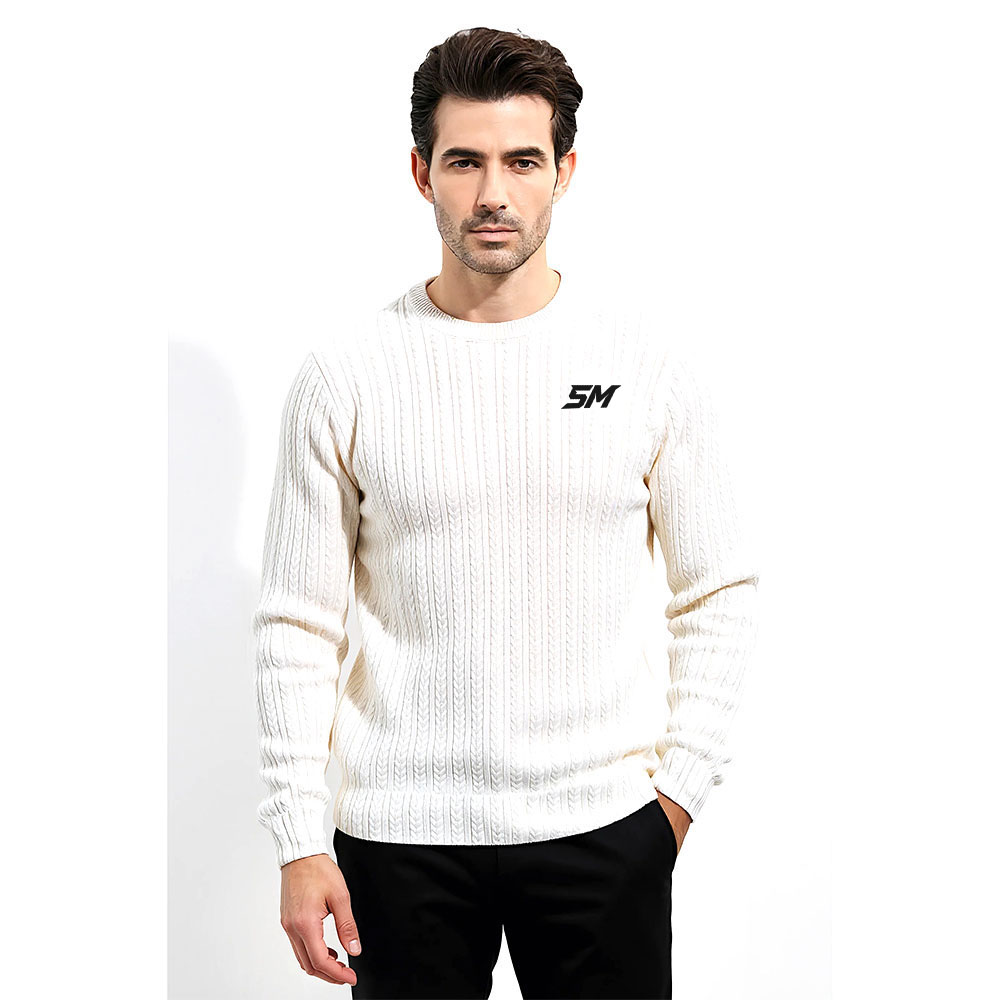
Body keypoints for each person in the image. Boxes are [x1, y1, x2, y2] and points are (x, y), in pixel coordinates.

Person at [251, 25, 759, 1000]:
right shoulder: (346, 376)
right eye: (464, 162)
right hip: (398, 841)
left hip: (603, 830)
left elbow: (718, 591)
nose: (493, 192)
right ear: (421, 173)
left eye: (522, 161)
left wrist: (677, 798)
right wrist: (298, 839)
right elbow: (297, 623)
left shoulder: (644, 366)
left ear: (564, 171)